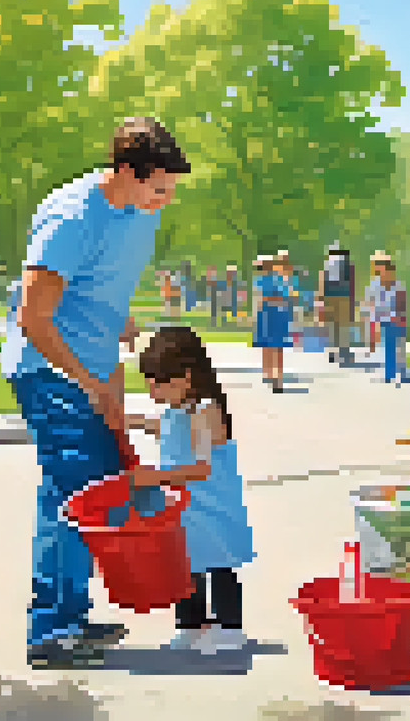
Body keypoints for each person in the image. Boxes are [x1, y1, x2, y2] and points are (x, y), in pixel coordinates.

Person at [2, 116, 190, 668]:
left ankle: (67, 615)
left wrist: (116, 352)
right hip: (50, 371)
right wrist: (87, 384)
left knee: (77, 490)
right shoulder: (72, 216)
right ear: (126, 173)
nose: (166, 200)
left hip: (92, 366)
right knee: (81, 493)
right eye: (159, 188)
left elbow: (101, 290)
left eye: (172, 190)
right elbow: (34, 317)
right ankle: (51, 632)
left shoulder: (139, 215)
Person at [125, 327, 253, 653]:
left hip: (210, 504)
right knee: (184, 566)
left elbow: (201, 467)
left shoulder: (205, 409)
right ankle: (191, 624)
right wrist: (131, 421)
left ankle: (230, 626)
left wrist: (150, 477)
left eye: (159, 382)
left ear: (187, 376)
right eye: (149, 381)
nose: (152, 390)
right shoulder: (178, 408)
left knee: (218, 563)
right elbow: (166, 428)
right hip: (183, 505)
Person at [367, 253, 410, 385]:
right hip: (385, 319)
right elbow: (372, 304)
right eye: (378, 267)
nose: (381, 271)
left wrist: (401, 316)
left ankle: (402, 372)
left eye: (384, 267)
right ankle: (389, 374)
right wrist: (373, 323)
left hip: (397, 318)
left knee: (400, 346)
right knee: (389, 347)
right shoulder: (374, 285)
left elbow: (402, 300)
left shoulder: (397, 284)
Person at [253, 254, 291, 393]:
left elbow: (283, 296)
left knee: (276, 346)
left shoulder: (279, 278)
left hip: (275, 312)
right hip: (269, 312)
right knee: (269, 345)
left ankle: (276, 378)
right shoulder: (263, 279)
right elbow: (266, 297)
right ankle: (270, 373)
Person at [319, 243, 356, 365]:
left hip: (330, 298)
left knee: (332, 327)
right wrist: (352, 302)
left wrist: (321, 300)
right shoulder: (348, 267)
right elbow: (352, 285)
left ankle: (333, 353)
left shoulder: (326, 267)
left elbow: (322, 284)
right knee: (343, 326)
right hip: (344, 297)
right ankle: (344, 352)